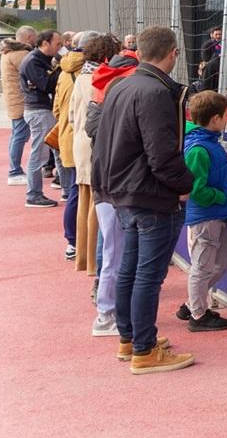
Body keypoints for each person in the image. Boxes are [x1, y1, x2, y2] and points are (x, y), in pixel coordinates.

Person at [90, 26, 195, 373]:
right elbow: (161, 153)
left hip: (124, 192)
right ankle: (144, 350)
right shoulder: (153, 92)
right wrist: (184, 183)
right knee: (146, 276)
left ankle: (131, 339)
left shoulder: (122, 85)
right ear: (172, 53)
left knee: (130, 271)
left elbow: (101, 136)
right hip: (148, 194)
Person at [176, 91, 227, 333]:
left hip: (217, 214)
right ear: (215, 119)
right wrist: (221, 197)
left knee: (222, 261)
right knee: (202, 266)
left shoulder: (208, 143)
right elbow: (196, 188)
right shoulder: (199, 149)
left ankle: (192, 303)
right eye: (226, 116)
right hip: (206, 217)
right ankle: (198, 314)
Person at [86, 38, 139, 337]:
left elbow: (91, 128)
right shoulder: (122, 82)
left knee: (117, 251)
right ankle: (106, 315)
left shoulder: (102, 82)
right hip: (114, 181)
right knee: (115, 251)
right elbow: (92, 129)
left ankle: (114, 310)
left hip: (107, 178)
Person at [70, 33, 119, 282]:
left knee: (84, 199)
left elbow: (70, 114)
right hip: (93, 143)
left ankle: (84, 257)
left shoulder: (81, 77)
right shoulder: (101, 78)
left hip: (79, 140)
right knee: (97, 205)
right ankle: (93, 263)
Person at [53, 31, 91, 259]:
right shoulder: (87, 73)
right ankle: (75, 241)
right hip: (81, 138)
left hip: (68, 138)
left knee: (73, 192)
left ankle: (72, 241)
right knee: (79, 193)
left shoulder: (64, 71)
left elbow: (56, 107)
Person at [20, 29, 62, 208]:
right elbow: (47, 85)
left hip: (44, 109)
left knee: (57, 152)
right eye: (58, 44)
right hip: (39, 111)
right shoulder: (32, 61)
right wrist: (62, 68)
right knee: (40, 153)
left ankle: (66, 187)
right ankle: (34, 194)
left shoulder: (42, 60)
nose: (61, 48)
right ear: (45, 43)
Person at [1, 26, 34, 188]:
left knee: (16, 136)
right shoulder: (21, 54)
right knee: (19, 136)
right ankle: (15, 171)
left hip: (14, 100)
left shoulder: (8, 53)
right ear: (28, 38)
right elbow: (33, 71)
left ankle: (14, 170)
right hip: (21, 101)